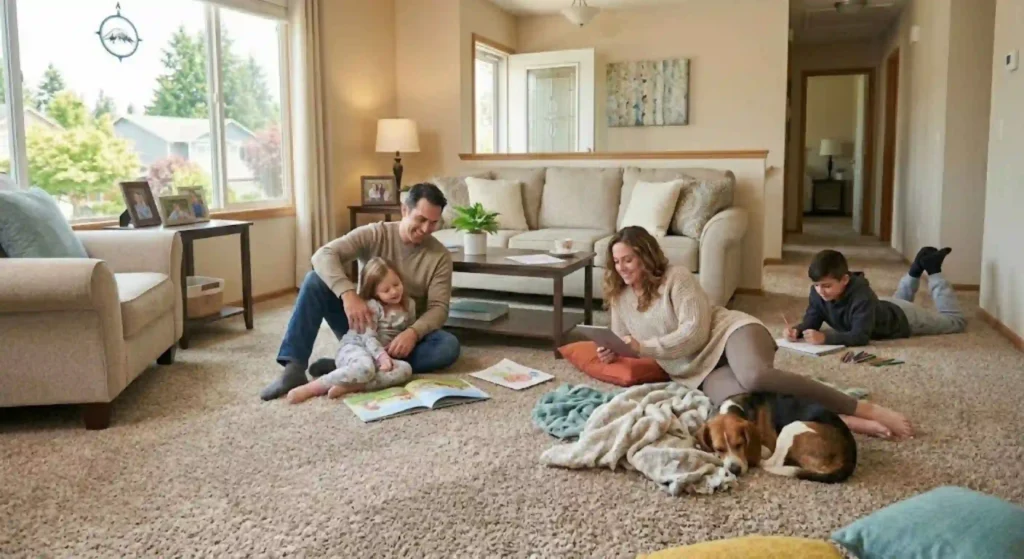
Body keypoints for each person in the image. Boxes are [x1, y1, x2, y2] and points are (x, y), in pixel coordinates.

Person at [597, 226, 914, 440]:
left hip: (729, 333)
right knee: (743, 407)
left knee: (756, 378)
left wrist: (643, 346)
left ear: (646, 256)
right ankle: (841, 422)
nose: (622, 267)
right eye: (616, 261)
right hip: (696, 370)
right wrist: (613, 350)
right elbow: (623, 339)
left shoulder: (676, 278)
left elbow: (694, 333)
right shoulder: (619, 296)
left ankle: (861, 407)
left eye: (629, 259)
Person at [260, 182, 460, 401]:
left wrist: (412, 333)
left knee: (447, 347)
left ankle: (351, 367)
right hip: (362, 328)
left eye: (433, 223)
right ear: (404, 210)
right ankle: (294, 368)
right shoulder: (375, 234)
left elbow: (439, 308)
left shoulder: (439, 256)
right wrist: (348, 294)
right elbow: (322, 255)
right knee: (314, 281)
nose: (425, 229)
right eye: (421, 219)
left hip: (400, 336)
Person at [286, 257, 415, 404]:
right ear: (374, 292)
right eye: (386, 290)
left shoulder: (409, 305)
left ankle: (354, 386)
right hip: (356, 346)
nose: (393, 291)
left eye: (396, 284)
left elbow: (408, 329)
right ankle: (312, 388)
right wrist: (382, 357)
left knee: (405, 369)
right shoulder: (372, 307)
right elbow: (368, 338)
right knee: (365, 369)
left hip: (380, 355)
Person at [785, 248, 965, 347]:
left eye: (827, 286)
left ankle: (933, 269)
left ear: (845, 279)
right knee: (892, 302)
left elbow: (860, 337)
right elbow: (812, 321)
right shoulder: (818, 294)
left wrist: (826, 338)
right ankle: (916, 268)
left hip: (903, 319)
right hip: (881, 307)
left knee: (954, 322)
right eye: (816, 285)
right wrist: (798, 330)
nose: (821, 291)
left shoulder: (862, 296)